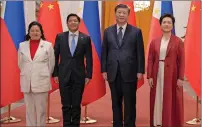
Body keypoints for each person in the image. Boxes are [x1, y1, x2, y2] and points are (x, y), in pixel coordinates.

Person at [101, 4, 145, 127]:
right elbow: (104, 51)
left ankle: (130, 124)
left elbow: (140, 52)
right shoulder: (108, 31)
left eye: (124, 13)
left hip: (130, 71)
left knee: (130, 102)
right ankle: (117, 124)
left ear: (128, 15)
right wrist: (103, 69)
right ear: (115, 14)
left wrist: (140, 70)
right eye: (119, 12)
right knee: (115, 102)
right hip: (112, 71)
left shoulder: (136, 31)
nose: (121, 15)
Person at [52, 13, 93, 127]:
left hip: (79, 75)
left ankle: (75, 124)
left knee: (76, 104)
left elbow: (89, 58)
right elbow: (55, 56)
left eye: (75, 21)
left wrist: (88, 75)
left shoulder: (85, 38)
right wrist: (55, 73)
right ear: (67, 23)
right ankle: (66, 124)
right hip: (63, 74)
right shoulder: (60, 36)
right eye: (70, 21)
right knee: (65, 104)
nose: (73, 23)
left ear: (79, 23)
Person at [147, 13, 185, 127]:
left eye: (169, 22)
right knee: (157, 96)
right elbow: (150, 60)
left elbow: (182, 61)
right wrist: (149, 76)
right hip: (157, 72)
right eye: (164, 22)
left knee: (171, 99)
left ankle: (170, 122)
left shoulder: (178, 41)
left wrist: (180, 78)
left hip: (172, 74)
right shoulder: (155, 41)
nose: (166, 24)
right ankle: (158, 121)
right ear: (160, 25)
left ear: (172, 25)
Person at [18, 21, 55, 127]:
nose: (35, 33)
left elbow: (51, 64)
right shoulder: (22, 45)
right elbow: (20, 63)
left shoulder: (48, 45)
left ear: (41, 32)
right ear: (29, 32)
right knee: (29, 110)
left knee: (41, 110)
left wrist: (42, 74)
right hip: (27, 82)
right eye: (32, 30)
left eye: (37, 30)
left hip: (41, 81)